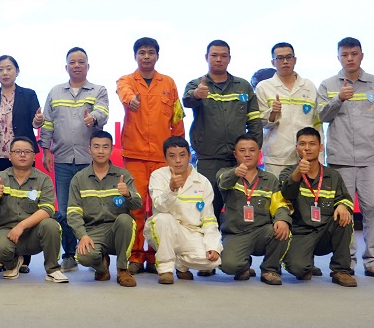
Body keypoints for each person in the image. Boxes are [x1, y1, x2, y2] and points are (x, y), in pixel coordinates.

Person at [316, 36, 374, 279]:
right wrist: (338, 98)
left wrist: (370, 139)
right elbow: (321, 117)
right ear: (338, 57)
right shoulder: (328, 84)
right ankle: (344, 261)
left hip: (371, 159)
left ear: (361, 55)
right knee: (342, 213)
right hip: (340, 160)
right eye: (345, 54)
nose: (350, 58)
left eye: (354, 54)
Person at [115, 37, 184, 274]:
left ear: (157, 56)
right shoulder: (126, 80)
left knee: (160, 208)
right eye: (142, 52)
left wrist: (179, 153)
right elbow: (123, 92)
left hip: (162, 158)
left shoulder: (169, 83)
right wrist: (130, 100)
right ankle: (135, 256)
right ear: (135, 56)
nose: (146, 56)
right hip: (135, 156)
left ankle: (156, 256)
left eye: (151, 52)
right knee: (135, 208)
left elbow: (177, 118)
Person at [40, 46, 109, 273]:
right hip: (61, 159)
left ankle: (93, 254)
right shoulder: (55, 92)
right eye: (72, 62)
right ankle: (69, 256)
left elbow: (103, 112)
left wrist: (93, 118)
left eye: (81, 62)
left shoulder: (98, 90)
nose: (77, 65)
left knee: (93, 209)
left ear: (88, 66)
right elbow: (47, 122)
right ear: (66, 67)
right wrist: (46, 150)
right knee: (65, 211)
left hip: (90, 161)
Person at [183, 40, 262, 224]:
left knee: (241, 207)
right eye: (214, 55)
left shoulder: (243, 86)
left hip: (238, 160)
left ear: (229, 58)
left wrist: (252, 152)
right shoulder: (196, 84)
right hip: (208, 160)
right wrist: (197, 95)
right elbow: (187, 101)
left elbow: (255, 122)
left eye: (223, 56)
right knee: (208, 209)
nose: (219, 59)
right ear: (206, 57)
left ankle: (237, 243)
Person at [0, 54, 40, 272]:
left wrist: (38, 121)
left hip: (22, 158)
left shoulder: (29, 95)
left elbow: (36, 122)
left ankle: (24, 257)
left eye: (9, 68)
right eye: (0, 69)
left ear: (17, 71)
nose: (5, 72)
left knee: (26, 205)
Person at [280, 127, 357, 287]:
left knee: (344, 217)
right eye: (302, 144)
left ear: (320, 147)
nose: (307, 148)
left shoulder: (333, 175)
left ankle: (340, 270)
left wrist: (342, 205)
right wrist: (297, 174)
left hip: (325, 231)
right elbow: (286, 195)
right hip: (300, 232)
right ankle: (305, 264)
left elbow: (345, 198)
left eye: (312, 144)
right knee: (298, 268)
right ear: (296, 148)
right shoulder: (288, 173)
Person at [0, 137, 68, 283]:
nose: (22, 155)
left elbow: (47, 209)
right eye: (17, 151)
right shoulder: (0, 177)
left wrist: (22, 226)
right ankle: (13, 263)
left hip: (34, 234)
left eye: (27, 152)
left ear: (34, 156)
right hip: (8, 233)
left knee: (51, 225)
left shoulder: (44, 180)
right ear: (10, 156)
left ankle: (52, 269)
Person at [67, 130, 141, 287]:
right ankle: (102, 266)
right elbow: (73, 213)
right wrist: (82, 235)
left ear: (112, 149)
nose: (101, 151)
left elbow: (137, 204)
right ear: (89, 149)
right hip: (93, 230)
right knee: (83, 256)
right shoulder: (79, 179)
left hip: (117, 229)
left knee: (125, 220)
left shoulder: (123, 175)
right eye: (96, 146)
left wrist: (127, 194)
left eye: (105, 147)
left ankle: (122, 269)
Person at [144, 136, 222, 284]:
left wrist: (212, 246)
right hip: (164, 229)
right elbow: (160, 207)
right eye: (172, 156)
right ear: (165, 158)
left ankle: (180, 263)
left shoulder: (203, 182)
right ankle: (165, 269)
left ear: (189, 156)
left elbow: (209, 219)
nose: (178, 160)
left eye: (182, 155)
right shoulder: (158, 176)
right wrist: (171, 189)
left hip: (191, 233)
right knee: (163, 218)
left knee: (213, 261)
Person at [216, 135, 291, 285]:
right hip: (236, 233)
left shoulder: (270, 179)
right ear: (235, 154)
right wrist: (235, 173)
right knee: (228, 265)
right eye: (242, 150)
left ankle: (270, 269)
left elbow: (280, 204)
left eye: (252, 150)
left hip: (262, 231)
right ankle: (243, 265)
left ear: (259, 153)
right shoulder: (225, 173)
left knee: (282, 230)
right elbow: (223, 183)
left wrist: (282, 219)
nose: (247, 154)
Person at [255, 42, 321, 179]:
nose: (285, 61)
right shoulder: (264, 87)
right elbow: (259, 123)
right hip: (277, 157)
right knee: (277, 192)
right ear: (273, 62)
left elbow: (317, 124)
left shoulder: (308, 86)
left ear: (295, 60)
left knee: (307, 193)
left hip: (307, 157)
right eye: (280, 58)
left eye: (289, 57)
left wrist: (320, 155)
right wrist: (273, 113)